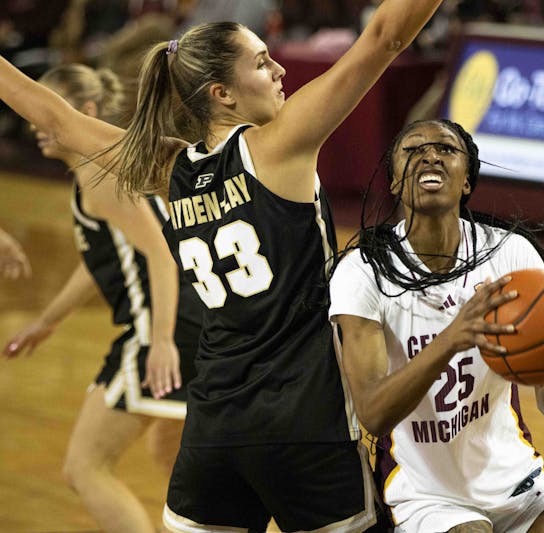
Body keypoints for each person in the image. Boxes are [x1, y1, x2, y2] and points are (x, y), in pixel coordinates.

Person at [0, 2, 442, 530]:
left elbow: (56, 119)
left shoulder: (169, 169)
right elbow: (384, 39)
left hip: (213, 427)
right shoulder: (280, 145)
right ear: (222, 94)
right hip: (305, 419)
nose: (280, 70)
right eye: (261, 63)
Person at [328, 118, 544, 532]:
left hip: (513, 477)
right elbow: (374, 414)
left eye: (446, 149)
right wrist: (451, 339)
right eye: (412, 150)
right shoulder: (363, 271)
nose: (430, 155)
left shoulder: (509, 253)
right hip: (425, 490)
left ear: (467, 182)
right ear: (394, 182)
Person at [2, 64, 202, 533]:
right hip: (197, 325)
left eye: (43, 110)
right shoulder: (100, 171)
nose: (35, 124)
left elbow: (160, 256)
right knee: (171, 455)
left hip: (164, 327)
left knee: (84, 466)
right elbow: (101, 264)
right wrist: (47, 321)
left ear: (85, 112)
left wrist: (160, 341)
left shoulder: (99, 175)